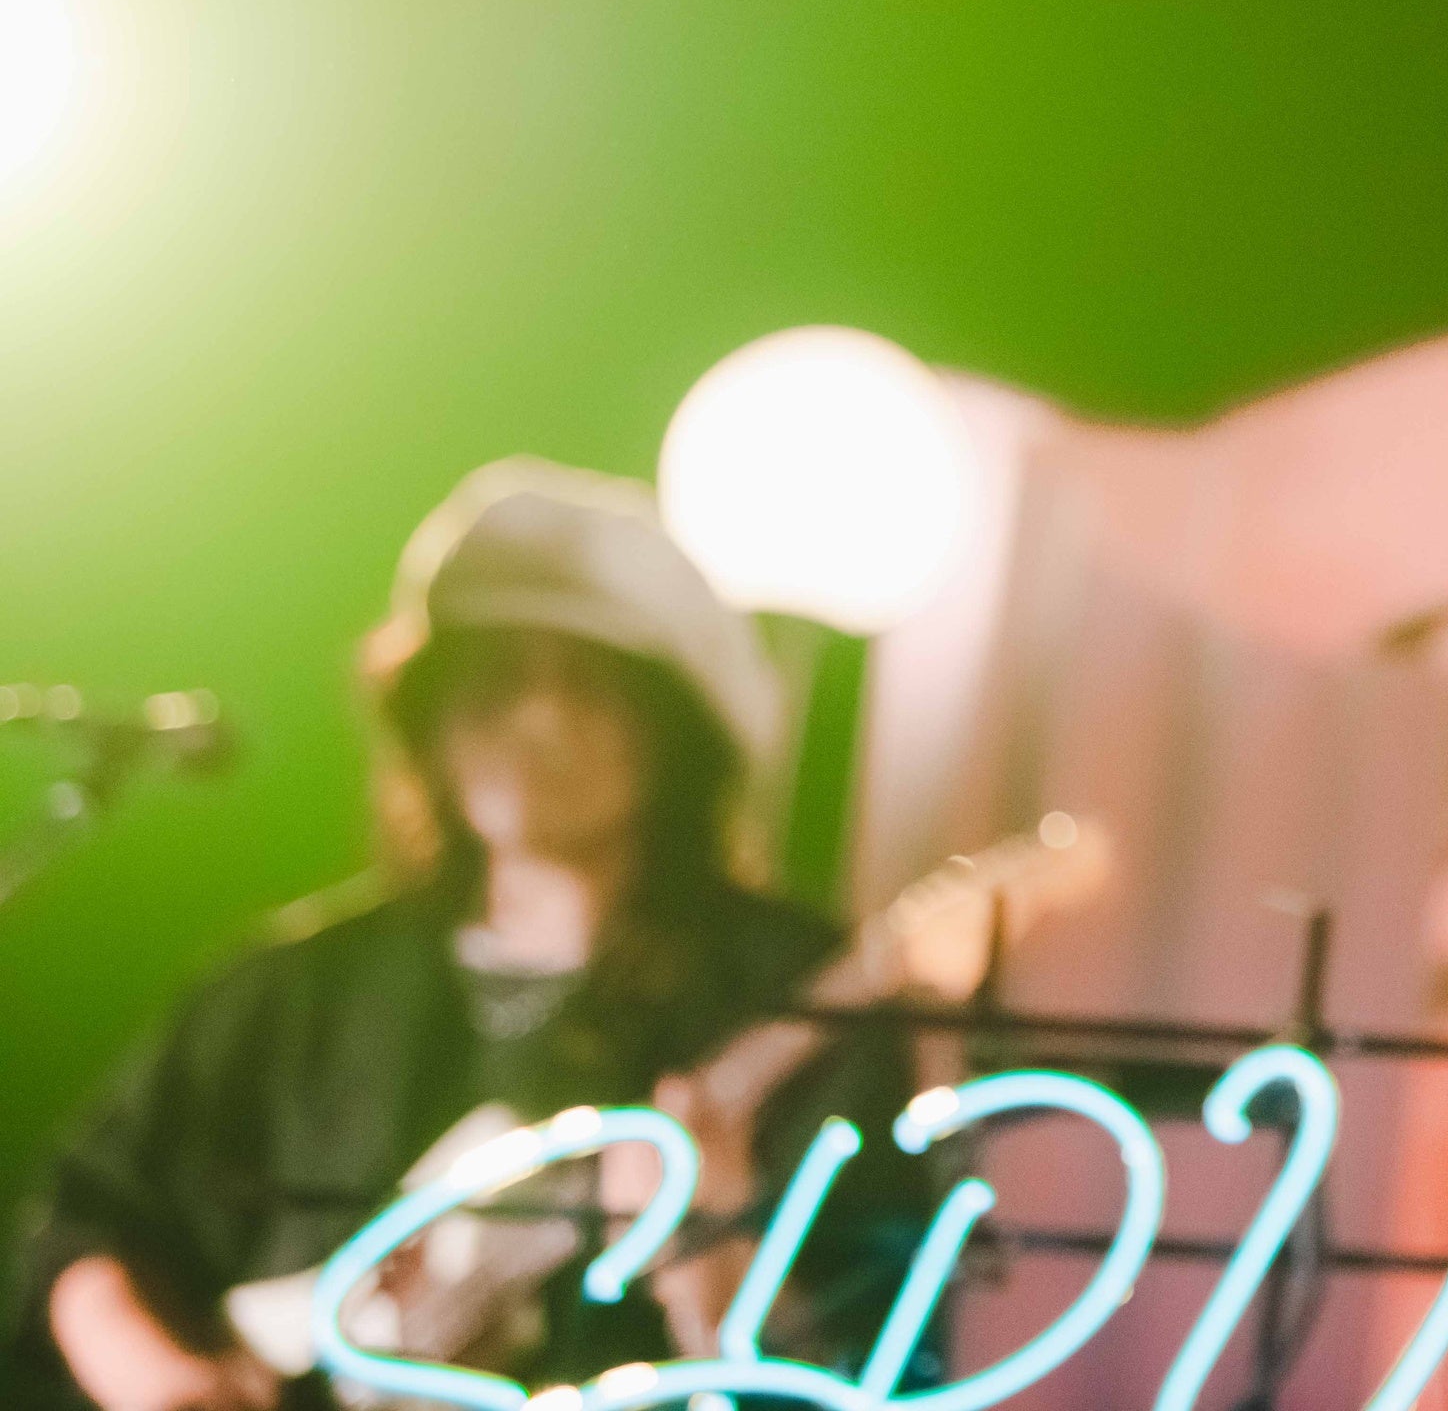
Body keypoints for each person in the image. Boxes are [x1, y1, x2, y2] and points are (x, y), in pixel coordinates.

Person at [7, 463, 916, 1411]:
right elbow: (86, 1221)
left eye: (587, 682)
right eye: (495, 672)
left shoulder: (792, 993)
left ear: (672, 730)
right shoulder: (294, 986)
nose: (535, 715)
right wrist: (163, 1384)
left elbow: (872, 1362)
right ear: (429, 713)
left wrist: (717, 1258)